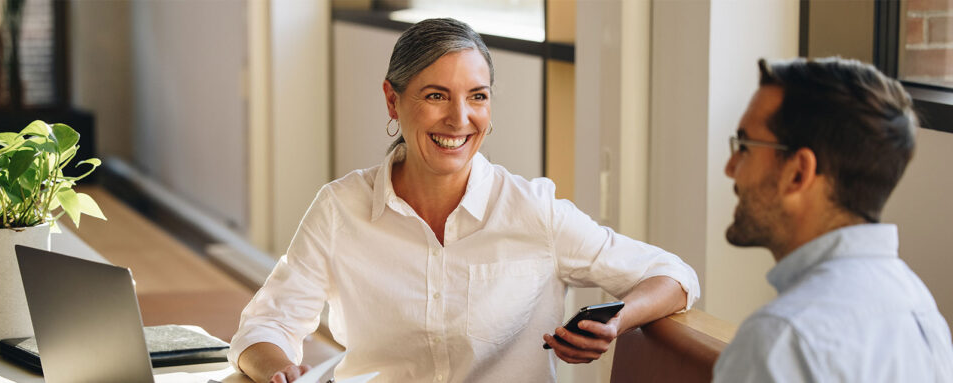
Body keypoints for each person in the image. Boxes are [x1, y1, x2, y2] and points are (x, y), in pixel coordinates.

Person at [229, 18, 700, 383]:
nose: (459, 119)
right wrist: (279, 371)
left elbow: (674, 276)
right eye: (437, 95)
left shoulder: (534, 211)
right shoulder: (339, 209)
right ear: (393, 101)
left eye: (477, 96)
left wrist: (616, 323)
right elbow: (265, 325)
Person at [713, 57, 953, 382]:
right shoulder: (923, 313)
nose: (730, 168)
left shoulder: (778, 342)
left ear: (798, 173)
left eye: (744, 146)